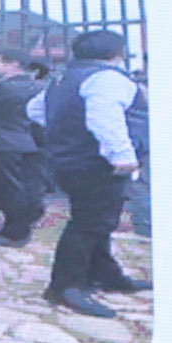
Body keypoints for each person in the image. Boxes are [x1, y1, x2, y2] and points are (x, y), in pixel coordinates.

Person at [40, 28, 147, 317]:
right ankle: (65, 286)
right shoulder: (108, 78)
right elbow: (105, 118)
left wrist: (64, 134)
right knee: (89, 223)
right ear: (117, 53)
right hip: (99, 162)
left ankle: (106, 274)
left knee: (96, 221)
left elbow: (35, 110)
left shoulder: (62, 79)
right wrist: (122, 156)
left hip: (70, 160)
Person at [0, 50, 49, 245]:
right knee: (24, 186)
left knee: (7, 188)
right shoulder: (40, 87)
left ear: (11, 64)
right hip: (30, 141)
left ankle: (15, 232)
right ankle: (17, 227)